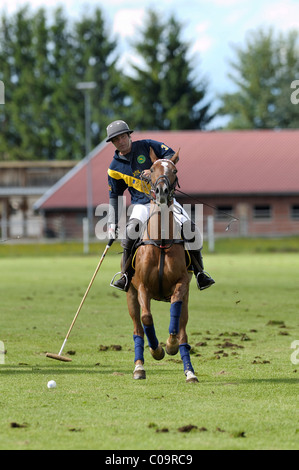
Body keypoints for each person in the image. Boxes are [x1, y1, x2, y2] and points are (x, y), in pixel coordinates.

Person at [106, 120, 215, 292]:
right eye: (116, 139)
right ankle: (125, 276)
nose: (121, 141)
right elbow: (114, 195)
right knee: (129, 235)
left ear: (129, 136)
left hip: (167, 201)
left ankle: (200, 273)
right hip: (142, 205)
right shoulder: (114, 168)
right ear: (112, 143)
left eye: (123, 136)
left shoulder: (147, 145)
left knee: (190, 229)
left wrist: (154, 168)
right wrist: (112, 223)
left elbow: (171, 155)